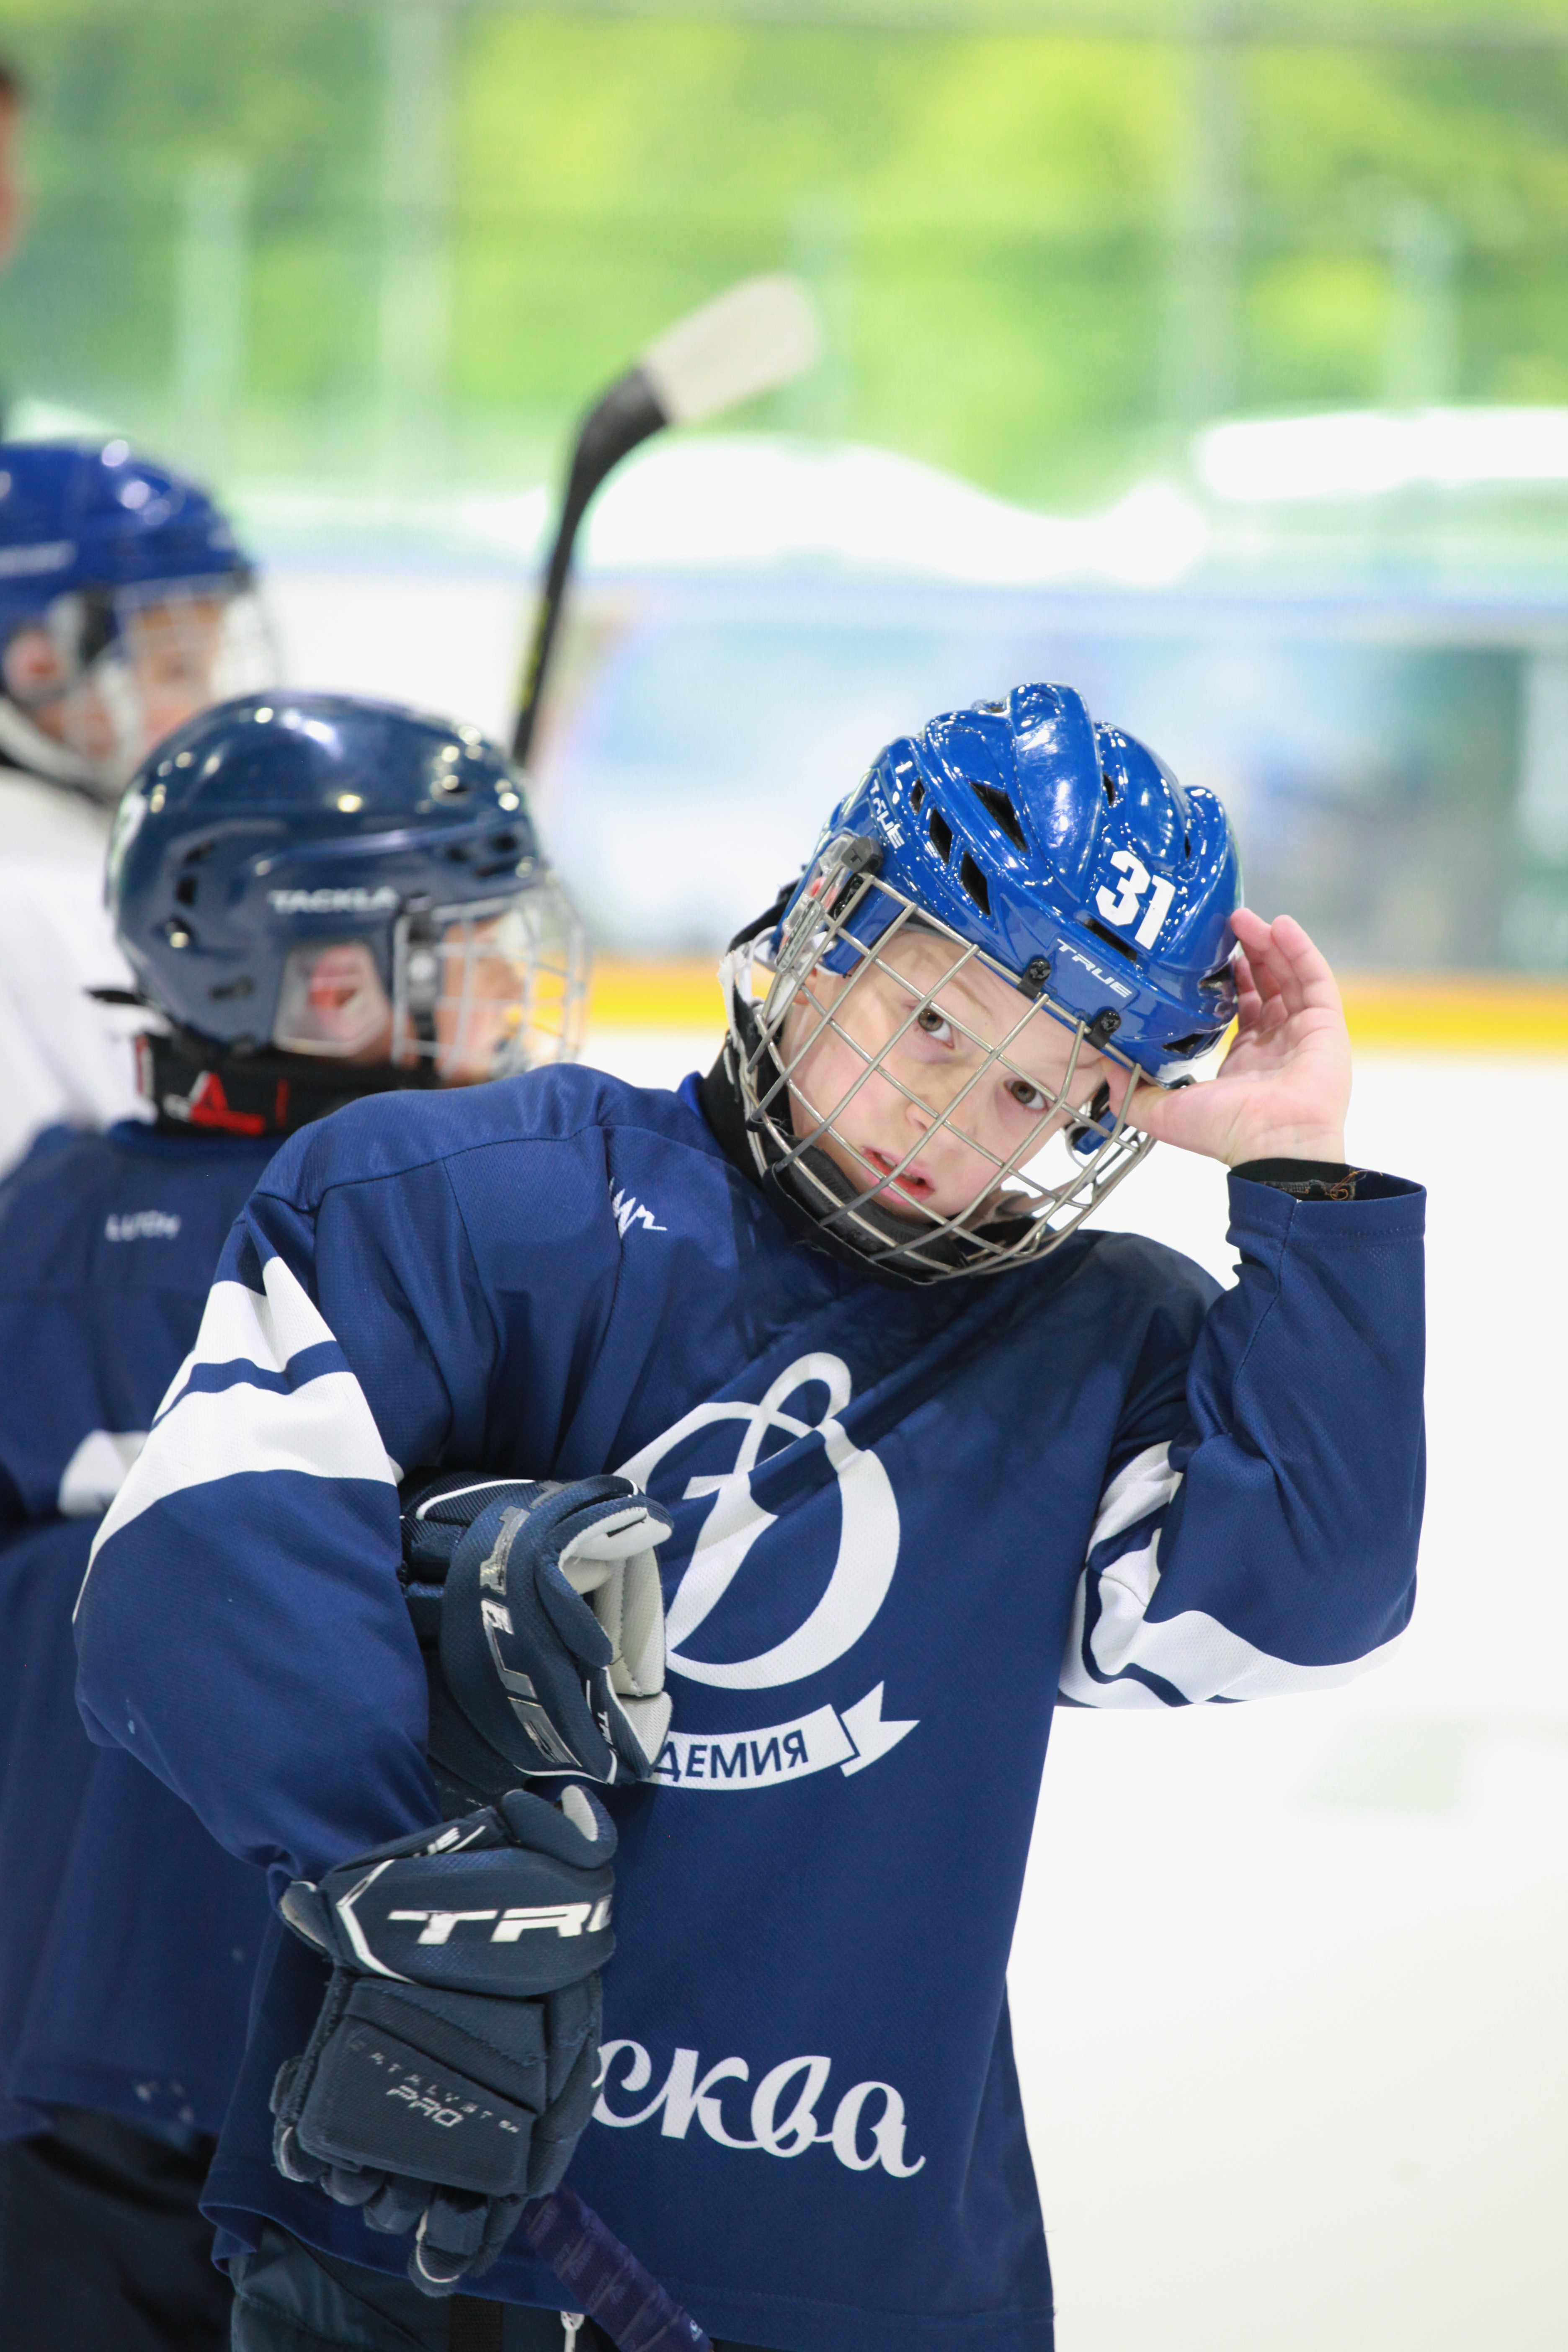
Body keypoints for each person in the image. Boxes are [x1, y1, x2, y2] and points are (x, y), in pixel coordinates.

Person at [75, 680, 1424, 2352]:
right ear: (832, 929)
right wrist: (406, 1871)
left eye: (1030, 1094)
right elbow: (195, 1568)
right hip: (420, 2224)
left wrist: (1309, 1188)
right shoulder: (470, 1200)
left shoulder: (1092, 1346)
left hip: (844, 2249)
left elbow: (1299, 1605)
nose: (951, 1120)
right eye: (935, 1028)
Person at [0, 691, 588, 2351]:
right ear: (327, 982)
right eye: (457, 943)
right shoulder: (469, 1235)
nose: (502, 979)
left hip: (60, 2050)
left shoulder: (41, 1216)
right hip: (373, 2054)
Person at [0, 439, 270, 1175]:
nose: (206, 704)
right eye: (178, 669)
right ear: (39, 663)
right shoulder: (37, 893)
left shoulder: (78, 844)